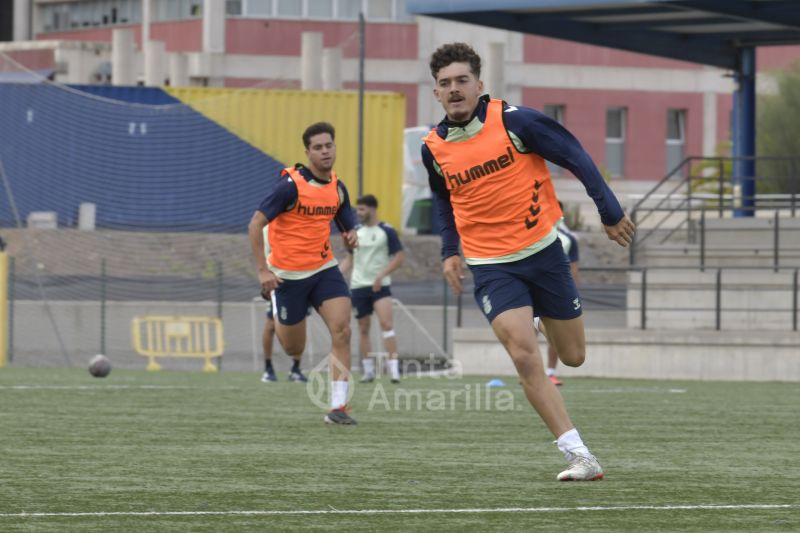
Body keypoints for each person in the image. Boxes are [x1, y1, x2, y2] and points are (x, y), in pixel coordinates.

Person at [421, 43, 635, 481]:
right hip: (490, 266)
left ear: (480, 85)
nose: (455, 89)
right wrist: (449, 252)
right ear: (436, 93)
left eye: (462, 81)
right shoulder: (433, 148)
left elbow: (576, 156)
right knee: (523, 355)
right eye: (445, 84)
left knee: (573, 356)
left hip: (543, 254)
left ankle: (539, 319)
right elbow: (444, 203)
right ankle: (580, 455)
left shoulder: (516, 121)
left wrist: (609, 211)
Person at [249, 122, 359, 425]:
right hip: (287, 276)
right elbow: (255, 224)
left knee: (343, 330)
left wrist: (352, 235)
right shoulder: (290, 186)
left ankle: (339, 407)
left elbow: (347, 221)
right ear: (308, 152)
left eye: (329, 145)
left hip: (324, 269)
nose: (325, 151)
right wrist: (263, 271)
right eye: (318, 147)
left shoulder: (338, 187)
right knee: (293, 348)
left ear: (335, 147)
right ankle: (277, 305)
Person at [339, 194, 405, 384]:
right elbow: (349, 259)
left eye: (362, 209)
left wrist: (381, 275)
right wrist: (335, 275)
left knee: (387, 325)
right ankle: (368, 371)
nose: (358, 213)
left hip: (380, 286)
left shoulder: (387, 231)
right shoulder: (356, 232)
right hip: (359, 286)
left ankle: (394, 371)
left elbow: (399, 257)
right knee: (363, 328)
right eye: (357, 209)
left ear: (372, 209)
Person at [259, 224, 308, 384]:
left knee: (300, 322)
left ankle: (295, 368)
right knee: (270, 325)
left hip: (301, 280)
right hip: (278, 282)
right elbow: (263, 258)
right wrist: (267, 281)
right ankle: (268, 368)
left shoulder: (299, 225)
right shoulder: (266, 229)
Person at [542, 201, 580, 387]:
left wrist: (571, 293)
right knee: (527, 330)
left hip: (555, 290)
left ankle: (550, 372)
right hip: (531, 286)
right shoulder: (530, 232)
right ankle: (529, 372)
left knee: (555, 332)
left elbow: (572, 268)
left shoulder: (568, 238)